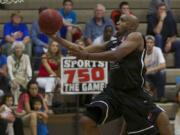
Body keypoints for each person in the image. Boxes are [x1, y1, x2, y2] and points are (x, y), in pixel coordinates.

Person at [49, 14, 172, 135]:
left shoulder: (136, 37)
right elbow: (80, 49)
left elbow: (116, 55)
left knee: (161, 118)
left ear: (131, 25)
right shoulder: (114, 41)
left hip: (133, 93)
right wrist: (55, 36)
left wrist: (86, 57)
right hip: (113, 92)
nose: (117, 23)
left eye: (122, 20)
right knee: (87, 121)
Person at [147, 3, 180, 68]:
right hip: (153, 44)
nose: (162, 11)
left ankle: (178, 68)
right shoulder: (152, 18)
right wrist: (161, 20)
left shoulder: (170, 19)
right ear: (156, 11)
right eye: (161, 9)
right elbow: (157, 32)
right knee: (158, 37)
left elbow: (174, 36)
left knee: (179, 43)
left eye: (164, 10)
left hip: (165, 45)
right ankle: (159, 64)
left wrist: (170, 42)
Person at [36, 41, 61, 106]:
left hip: (52, 79)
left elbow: (61, 70)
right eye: (53, 45)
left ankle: (47, 101)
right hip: (41, 79)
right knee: (52, 79)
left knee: (52, 81)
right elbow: (49, 70)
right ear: (49, 47)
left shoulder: (60, 58)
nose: (55, 47)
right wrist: (57, 77)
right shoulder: (44, 56)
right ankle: (48, 102)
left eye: (57, 46)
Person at [145, 35, 166, 102]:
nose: (149, 44)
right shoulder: (141, 52)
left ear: (154, 44)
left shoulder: (157, 50)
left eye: (151, 42)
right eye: (147, 42)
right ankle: (147, 95)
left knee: (162, 72)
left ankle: (161, 96)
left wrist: (150, 69)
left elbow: (163, 65)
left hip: (155, 74)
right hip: (145, 75)